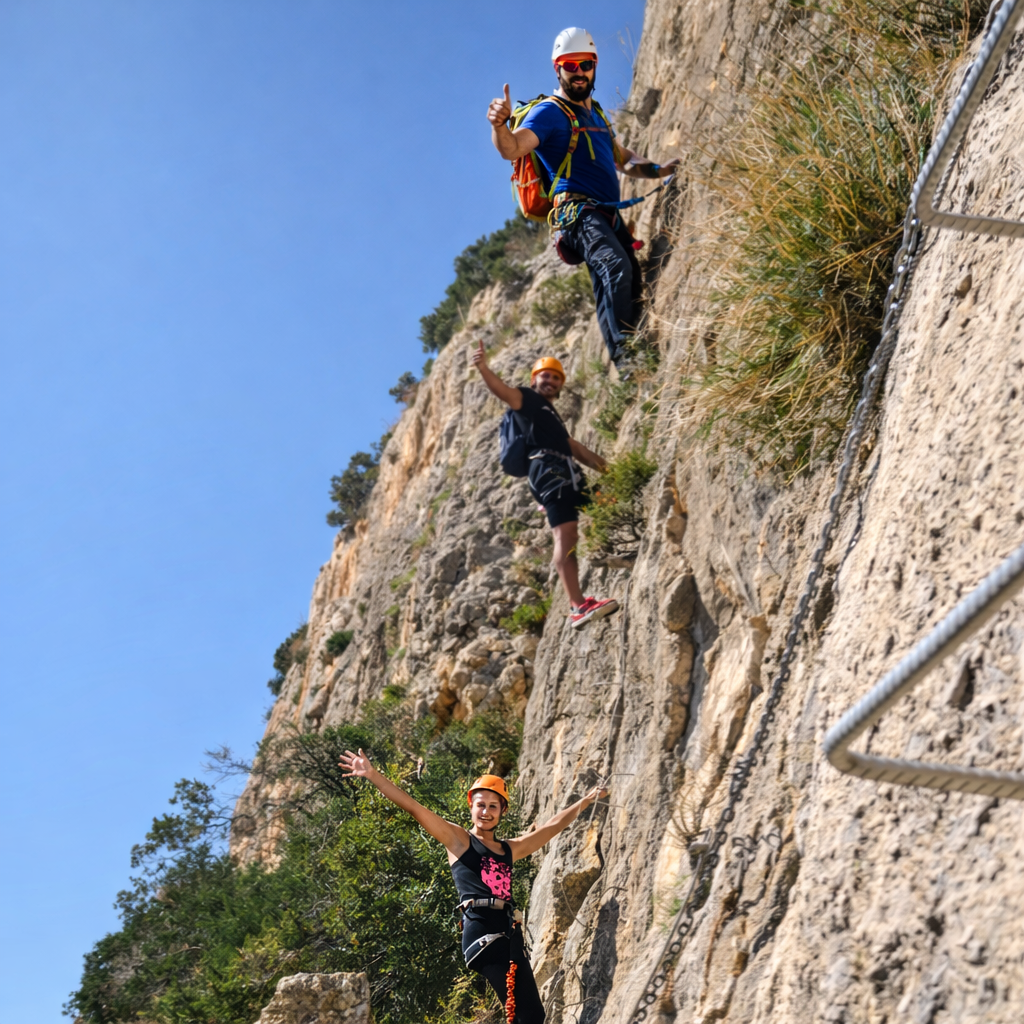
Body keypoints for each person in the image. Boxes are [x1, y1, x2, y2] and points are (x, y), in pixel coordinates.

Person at [338, 749, 608, 1024]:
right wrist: (372, 775)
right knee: (526, 1015)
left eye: (493, 806)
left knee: (532, 1015)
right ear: (471, 806)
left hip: (507, 934)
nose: (486, 812)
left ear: (503, 811)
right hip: (482, 932)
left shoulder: (508, 849)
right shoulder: (458, 840)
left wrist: (585, 802)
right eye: (481, 804)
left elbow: (550, 828)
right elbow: (413, 807)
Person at [487, 27, 679, 374]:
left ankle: (635, 355)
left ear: (594, 66)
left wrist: (659, 170)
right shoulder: (548, 112)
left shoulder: (598, 116)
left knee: (632, 275)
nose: (578, 72)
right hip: (577, 215)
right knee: (614, 266)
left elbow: (623, 158)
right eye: (570, 65)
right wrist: (499, 126)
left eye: (585, 64)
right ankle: (626, 358)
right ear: (557, 69)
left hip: (605, 215)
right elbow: (513, 148)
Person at [473, 341, 619, 628]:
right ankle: (578, 607)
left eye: (556, 377)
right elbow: (503, 392)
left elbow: (575, 448)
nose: (550, 380)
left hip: (566, 470)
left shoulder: (549, 416)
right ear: (534, 379)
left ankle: (624, 549)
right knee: (565, 536)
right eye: (545, 375)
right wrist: (483, 368)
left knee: (606, 508)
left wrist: (611, 471)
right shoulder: (526, 400)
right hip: (548, 472)